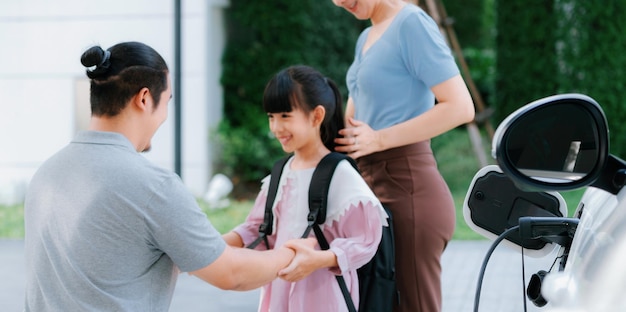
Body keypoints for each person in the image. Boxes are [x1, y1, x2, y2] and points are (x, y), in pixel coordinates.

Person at [23, 41, 307, 311]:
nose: (165, 115)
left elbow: (117, 257)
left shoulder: (46, 174)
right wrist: (293, 254)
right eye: (167, 101)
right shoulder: (152, 185)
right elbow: (232, 273)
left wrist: (230, 240)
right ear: (145, 99)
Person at [330, 1, 476, 311]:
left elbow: (461, 107)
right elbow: (355, 122)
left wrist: (379, 138)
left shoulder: (411, 23)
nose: (339, 1)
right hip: (370, 188)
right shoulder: (367, 36)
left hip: (408, 189)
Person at [222, 65, 388, 312]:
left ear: (316, 116)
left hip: (323, 297)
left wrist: (318, 260)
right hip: (278, 292)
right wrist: (210, 246)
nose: (276, 127)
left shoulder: (340, 174)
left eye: (285, 116)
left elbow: (365, 240)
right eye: (271, 117)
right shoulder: (280, 173)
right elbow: (256, 229)